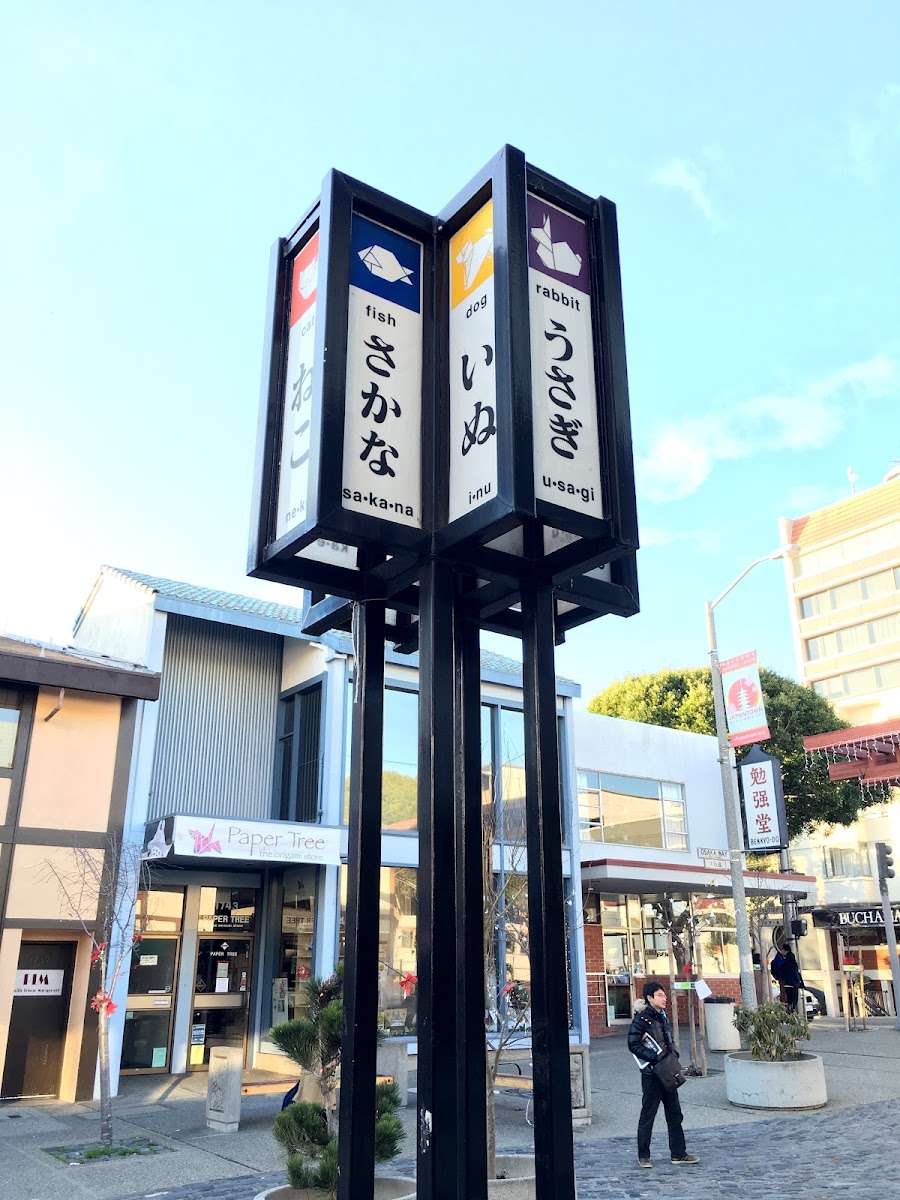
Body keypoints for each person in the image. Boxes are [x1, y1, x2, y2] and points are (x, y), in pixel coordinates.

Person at [627, 980, 700, 1169]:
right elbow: (633, 1044)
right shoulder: (641, 1019)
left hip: (668, 1072)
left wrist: (673, 1055)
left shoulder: (662, 1017)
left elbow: (668, 1040)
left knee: (675, 1114)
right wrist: (654, 1058)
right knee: (648, 1115)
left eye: (664, 995)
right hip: (652, 1074)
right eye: (660, 995)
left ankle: (679, 1153)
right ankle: (644, 1156)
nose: (664, 998)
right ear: (649, 998)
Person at [774, 942, 804, 1013]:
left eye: (782, 950)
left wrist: (779, 976)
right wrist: (799, 982)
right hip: (794, 984)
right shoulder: (793, 961)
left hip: (787, 983)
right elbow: (796, 972)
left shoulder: (785, 962)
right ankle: (793, 1013)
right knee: (794, 1001)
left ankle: (790, 1013)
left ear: (785, 950)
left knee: (789, 1001)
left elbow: (782, 972)